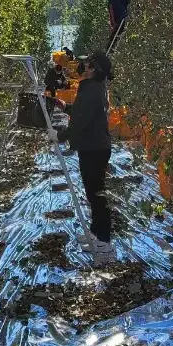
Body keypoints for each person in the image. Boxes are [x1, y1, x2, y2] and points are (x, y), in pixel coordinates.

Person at [57, 50, 115, 266]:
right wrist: (66, 107)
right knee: (92, 193)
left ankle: (105, 244)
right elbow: (82, 111)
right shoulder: (92, 88)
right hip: (93, 147)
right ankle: (95, 233)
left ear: (93, 70)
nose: (83, 67)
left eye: (88, 64)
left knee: (97, 195)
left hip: (95, 148)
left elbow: (82, 120)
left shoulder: (91, 89)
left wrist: (61, 135)